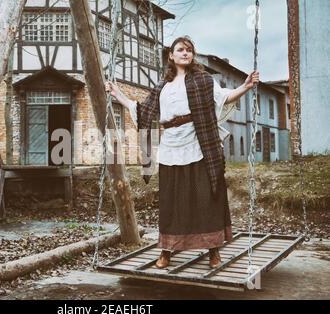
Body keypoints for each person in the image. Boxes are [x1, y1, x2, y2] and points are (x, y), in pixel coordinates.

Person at [106, 36, 259, 269]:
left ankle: (213, 250)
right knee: (171, 201)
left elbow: (224, 98)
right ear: (171, 55)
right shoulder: (162, 86)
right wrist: (119, 96)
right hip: (171, 147)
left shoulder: (204, 80)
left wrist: (246, 86)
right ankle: (167, 250)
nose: (185, 53)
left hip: (199, 144)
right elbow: (144, 111)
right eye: (180, 50)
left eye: (189, 50)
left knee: (206, 197)